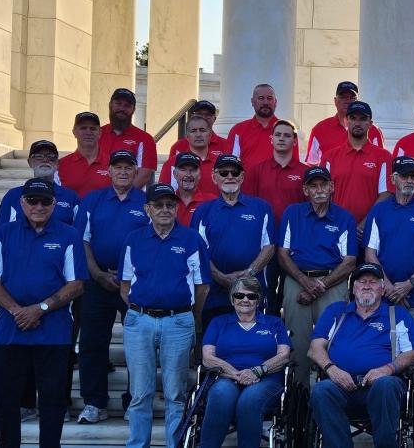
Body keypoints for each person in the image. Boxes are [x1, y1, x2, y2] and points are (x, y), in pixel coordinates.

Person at [0, 178, 88, 448]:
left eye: (45, 201)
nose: (39, 206)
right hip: (11, 331)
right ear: (22, 203)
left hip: (54, 333)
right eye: (32, 201)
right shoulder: (5, 232)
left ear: (53, 204)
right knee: (5, 403)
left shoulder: (69, 235)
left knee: (52, 403)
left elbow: (76, 285)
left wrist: (40, 309)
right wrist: (18, 311)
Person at [119, 182, 211, 448]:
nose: (164, 209)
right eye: (158, 205)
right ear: (147, 208)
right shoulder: (133, 239)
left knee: (176, 393)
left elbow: (202, 287)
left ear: (176, 208)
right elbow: (125, 285)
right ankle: (138, 445)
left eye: (170, 205)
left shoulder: (192, 239)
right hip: (140, 321)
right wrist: (141, 309)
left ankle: (175, 444)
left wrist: (186, 315)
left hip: (178, 321)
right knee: (139, 393)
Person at [308, 263, 414, 448]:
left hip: (381, 386)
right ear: (353, 288)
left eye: (373, 282)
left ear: (383, 288)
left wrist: (387, 369)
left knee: (385, 385)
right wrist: (332, 369)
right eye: (361, 282)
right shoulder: (337, 311)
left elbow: (412, 353)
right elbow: (315, 348)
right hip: (341, 385)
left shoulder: (397, 314)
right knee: (321, 390)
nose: (367, 285)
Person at [73, 150, 150, 425]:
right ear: (109, 171)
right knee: (92, 343)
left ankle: (134, 401)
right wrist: (95, 273)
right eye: (117, 167)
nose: (123, 171)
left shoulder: (146, 201)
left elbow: (153, 240)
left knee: (137, 344)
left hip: (135, 284)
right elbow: (81, 240)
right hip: (98, 283)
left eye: (128, 167)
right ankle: (94, 402)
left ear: (135, 171)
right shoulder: (93, 200)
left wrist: (130, 275)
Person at [364, 156, 414, 398]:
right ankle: (389, 407)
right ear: (393, 178)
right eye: (404, 175)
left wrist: (408, 285)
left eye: (413, 175)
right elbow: (370, 252)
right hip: (383, 297)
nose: (409, 180)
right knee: (382, 353)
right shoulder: (379, 211)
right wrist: (388, 286)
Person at [276, 166, 357, 386]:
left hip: (333, 281)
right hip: (297, 279)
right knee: (298, 341)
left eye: (323, 185)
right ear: (305, 190)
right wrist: (305, 282)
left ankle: (329, 391)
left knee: (333, 339)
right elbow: (282, 254)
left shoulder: (344, 217)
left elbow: (350, 260)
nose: (319, 190)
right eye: (313, 186)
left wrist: (320, 285)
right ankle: (298, 396)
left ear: (332, 187)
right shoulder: (292, 213)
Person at [199, 277, 291, 448]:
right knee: (220, 395)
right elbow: (208, 358)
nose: (245, 300)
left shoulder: (274, 323)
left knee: (250, 400)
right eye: (240, 295)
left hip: (267, 379)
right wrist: (236, 374)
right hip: (226, 376)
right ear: (232, 299)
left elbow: (284, 355)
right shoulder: (218, 323)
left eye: (251, 296)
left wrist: (257, 371)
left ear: (259, 300)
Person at [191, 155, 276, 328]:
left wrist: (248, 274)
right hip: (213, 293)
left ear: (242, 177)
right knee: (213, 345)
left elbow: (269, 247)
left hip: (251, 292)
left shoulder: (261, 207)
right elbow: (197, 251)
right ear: (214, 177)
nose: (229, 176)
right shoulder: (203, 211)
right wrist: (220, 277)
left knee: (249, 347)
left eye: (234, 172)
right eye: (223, 172)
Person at [319, 101, 392, 225]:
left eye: (363, 119)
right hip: (337, 228)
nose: (358, 123)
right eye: (353, 118)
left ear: (370, 124)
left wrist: (364, 225)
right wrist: (337, 224)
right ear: (346, 121)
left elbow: (386, 194)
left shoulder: (383, 156)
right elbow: (323, 194)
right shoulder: (330, 157)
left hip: (370, 230)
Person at [0, 140, 80, 229]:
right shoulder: (13, 195)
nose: (45, 160)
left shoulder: (71, 197)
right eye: (39, 156)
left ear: (57, 163)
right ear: (30, 162)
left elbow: (79, 235)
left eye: (51, 156)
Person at [242, 119, 307, 223]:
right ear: (271, 139)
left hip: (294, 232)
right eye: (277, 135)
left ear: (295, 141)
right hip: (264, 233)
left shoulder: (305, 172)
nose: (281, 138)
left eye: (287, 135)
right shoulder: (257, 170)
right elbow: (248, 205)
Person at [305, 81, 384, 165]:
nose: (348, 100)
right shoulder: (319, 129)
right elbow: (312, 164)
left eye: (352, 97)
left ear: (358, 101)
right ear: (335, 101)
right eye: (343, 97)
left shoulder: (373, 130)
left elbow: (381, 162)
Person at [227, 83, 300, 169]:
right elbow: (230, 165)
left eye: (269, 98)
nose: (266, 102)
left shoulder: (288, 131)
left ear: (275, 102)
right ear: (253, 102)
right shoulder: (238, 130)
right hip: (248, 182)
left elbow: (295, 166)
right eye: (261, 98)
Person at [98, 88, 157, 187]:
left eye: (127, 105)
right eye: (118, 103)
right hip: (93, 197)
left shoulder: (145, 139)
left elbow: (144, 175)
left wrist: (121, 197)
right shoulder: (96, 134)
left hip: (125, 199)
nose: (122, 108)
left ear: (133, 110)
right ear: (110, 105)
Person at [158, 114, 220, 196]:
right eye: (193, 131)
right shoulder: (172, 163)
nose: (198, 135)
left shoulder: (220, 163)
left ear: (210, 135)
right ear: (187, 136)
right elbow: (163, 195)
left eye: (202, 130)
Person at [56, 111, 111, 197]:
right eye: (83, 128)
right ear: (74, 132)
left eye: (92, 128)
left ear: (100, 133)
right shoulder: (60, 165)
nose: (88, 132)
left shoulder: (112, 164)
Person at [168, 152, 217, 226]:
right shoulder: (166, 202)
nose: (188, 174)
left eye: (193, 170)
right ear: (175, 174)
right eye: (183, 170)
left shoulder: (212, 202)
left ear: (200, 174)